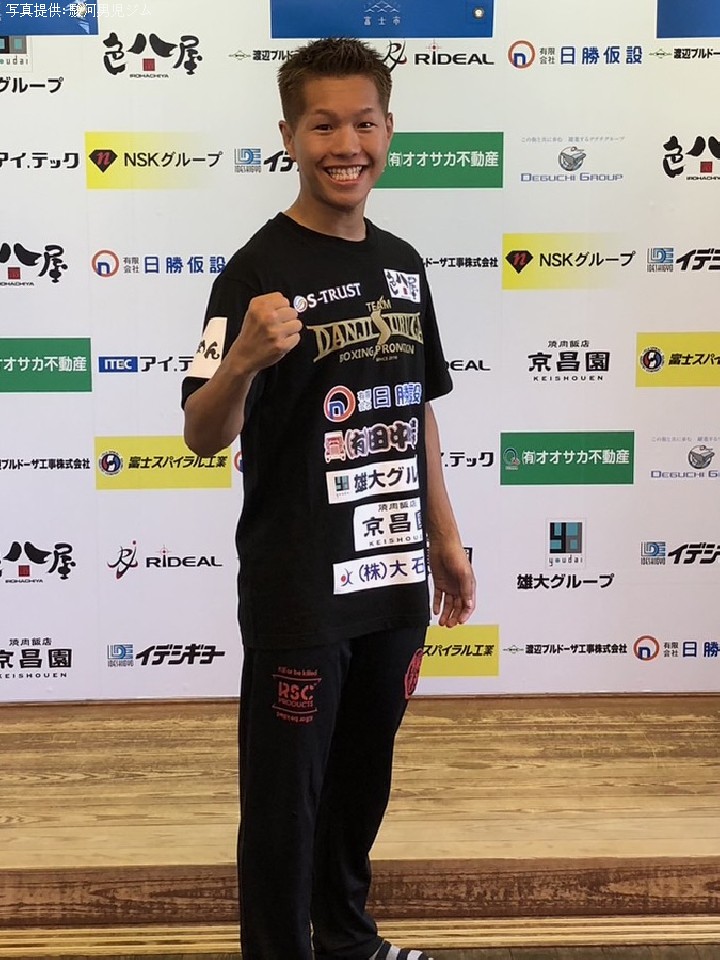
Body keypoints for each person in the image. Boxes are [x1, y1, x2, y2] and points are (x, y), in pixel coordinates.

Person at [181, 37, 475, 960]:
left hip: (392, 575)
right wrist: (241, 362)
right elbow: (201, 432)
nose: (346, 145)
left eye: (364, 123)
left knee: (360, 782)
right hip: (301, 584)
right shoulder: (252, 273)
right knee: (285, 800)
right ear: (288, 136)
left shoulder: (404, 264)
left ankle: (348, 941)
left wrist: (446, 540)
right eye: (323, 126)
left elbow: (415, 409)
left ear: (388, 131)